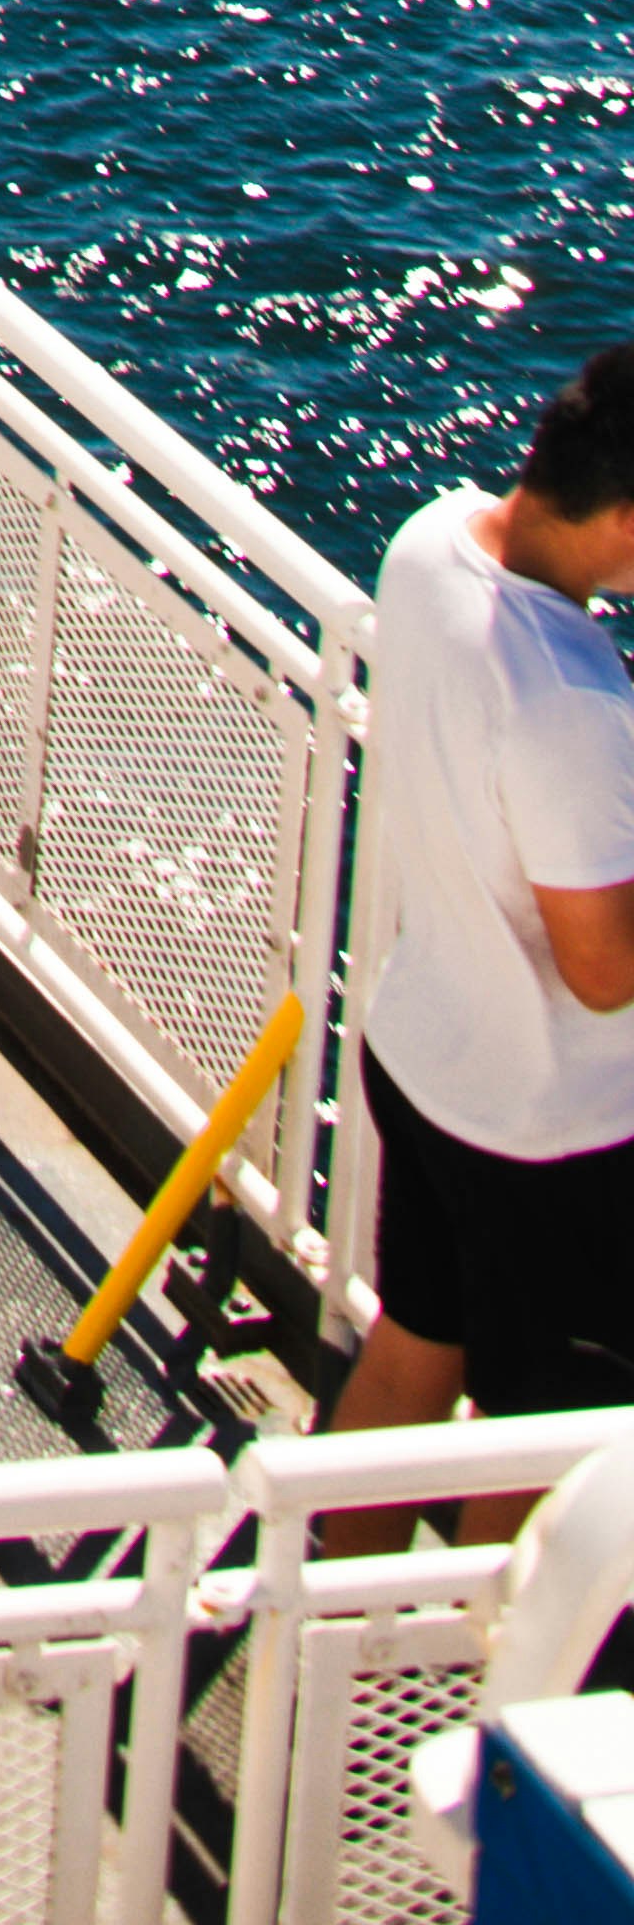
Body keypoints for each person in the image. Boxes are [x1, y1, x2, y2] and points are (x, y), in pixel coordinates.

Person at [337, 345, 634, 1439]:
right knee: (536, 1445)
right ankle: (467, 1621)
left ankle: (313, 1605)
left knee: (410, 1356)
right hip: (541, 1129)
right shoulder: (571, 699)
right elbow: (602, 973)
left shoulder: (432, 539)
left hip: (426, 1057)